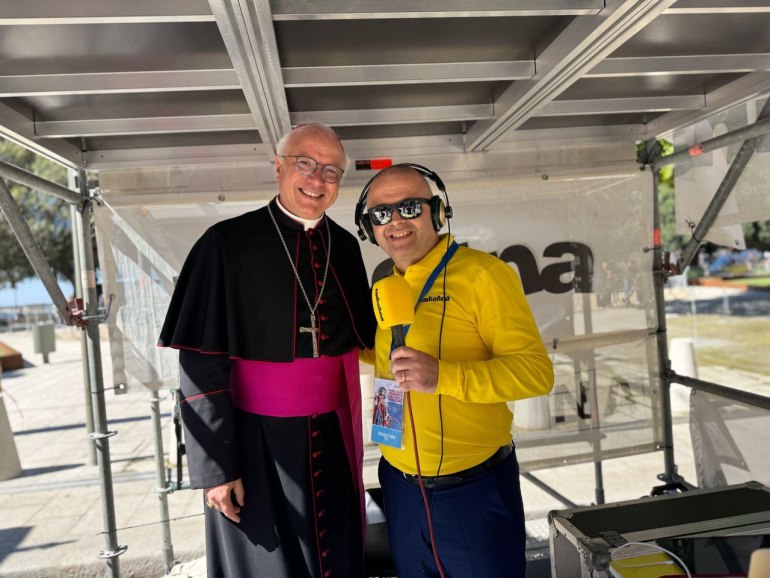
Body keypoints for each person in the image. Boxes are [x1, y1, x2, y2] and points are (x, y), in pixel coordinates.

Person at [158, 123, 376, 578]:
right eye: (305, 164)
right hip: (253, 443)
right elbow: (199, 363)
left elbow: (364, 339)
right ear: (278, 167)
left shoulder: (345, 247)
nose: (317, 179)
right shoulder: (225, 242)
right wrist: (216, 468)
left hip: (332, 436)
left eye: (331, 171)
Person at [358, 165, 554, 577]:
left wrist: (442, 377)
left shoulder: (484, 275)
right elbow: (390, 360)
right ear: (369, 228)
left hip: (470, 491)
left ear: (437, 211)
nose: (396, 221)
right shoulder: (386, 285)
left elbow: (536, 372)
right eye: (381, 213)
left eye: (410, 207)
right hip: (397, 483)